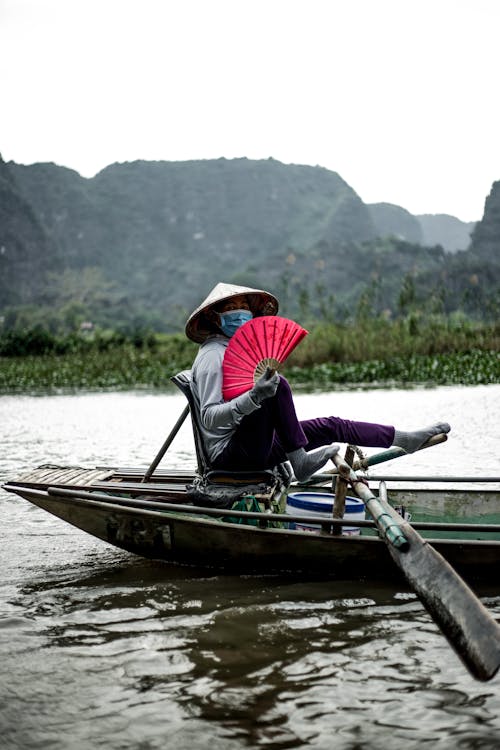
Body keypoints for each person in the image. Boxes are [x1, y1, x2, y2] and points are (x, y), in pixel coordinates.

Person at [185, 282, 450, 482]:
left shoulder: (237, 348)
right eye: (230, 309)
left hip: (252, 444)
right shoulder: (212, 357)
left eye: (243, 307)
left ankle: (404, 439)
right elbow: (208, 418)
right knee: (277, 386)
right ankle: (299, 460)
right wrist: (254, 396)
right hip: (230, 456)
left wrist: (259, 404)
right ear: (215, 318)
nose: (239, 313)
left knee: (331, 426)